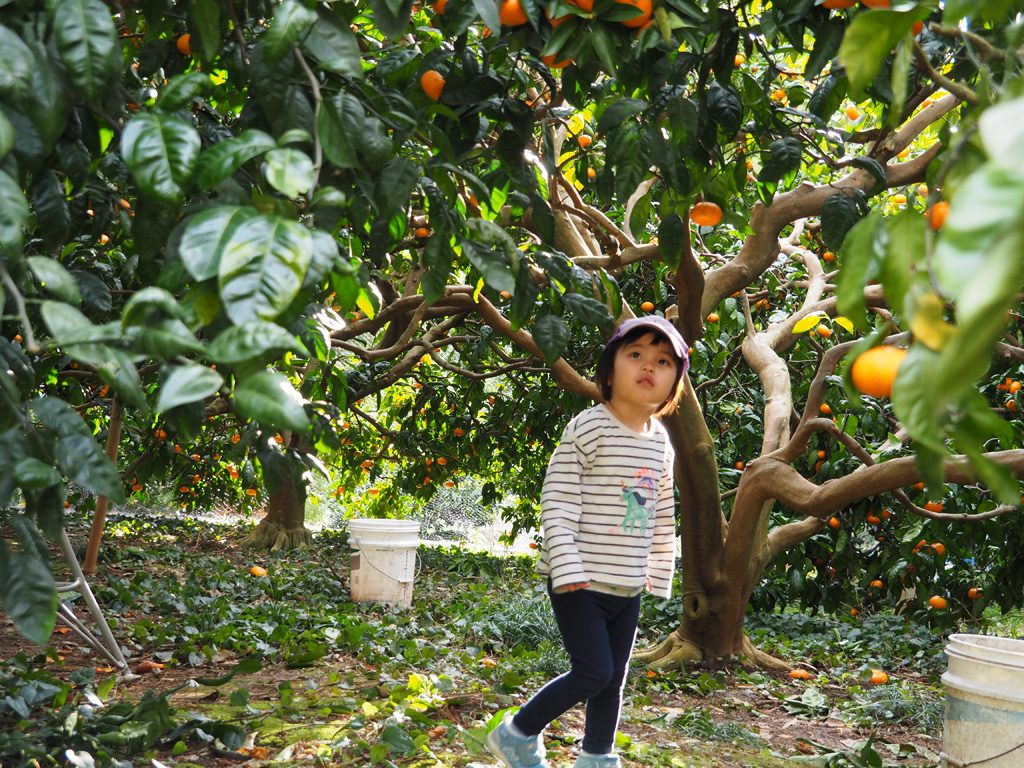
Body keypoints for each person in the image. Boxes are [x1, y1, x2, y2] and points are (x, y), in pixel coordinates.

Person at [486, 315, 689, 768]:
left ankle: (597, 757)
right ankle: (516, 732)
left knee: (613, 679)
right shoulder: (589, 427)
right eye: (635, 354)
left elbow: (660, 514)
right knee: (593, 672)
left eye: (662, 361)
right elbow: (557, 501)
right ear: (609, 368)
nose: (648, 367)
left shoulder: (661, 443)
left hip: (627, 584)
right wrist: (567, 564)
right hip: (580, 580)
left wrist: (657, 570)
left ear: (675, 382)